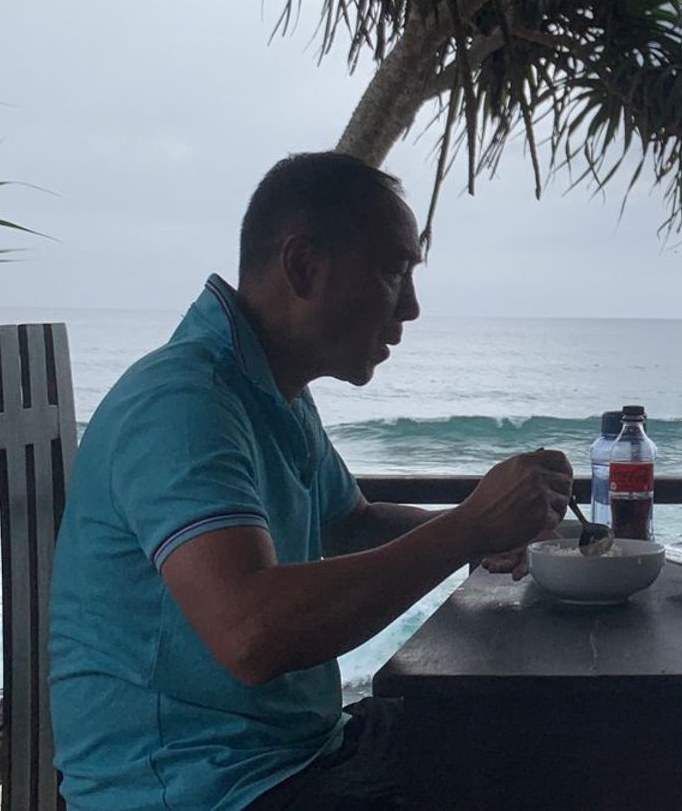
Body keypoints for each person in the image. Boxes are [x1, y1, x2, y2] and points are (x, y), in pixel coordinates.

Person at [48, 152, 574, 811]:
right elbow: (251, 634)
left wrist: (490, 536)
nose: (409, 307)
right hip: (194, 788)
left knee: (536, 737)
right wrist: (467, 527)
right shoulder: (184, 403)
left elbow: (347, 523)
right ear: (302, 266)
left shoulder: (267, 388)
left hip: (288, 757)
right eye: (391, 271)